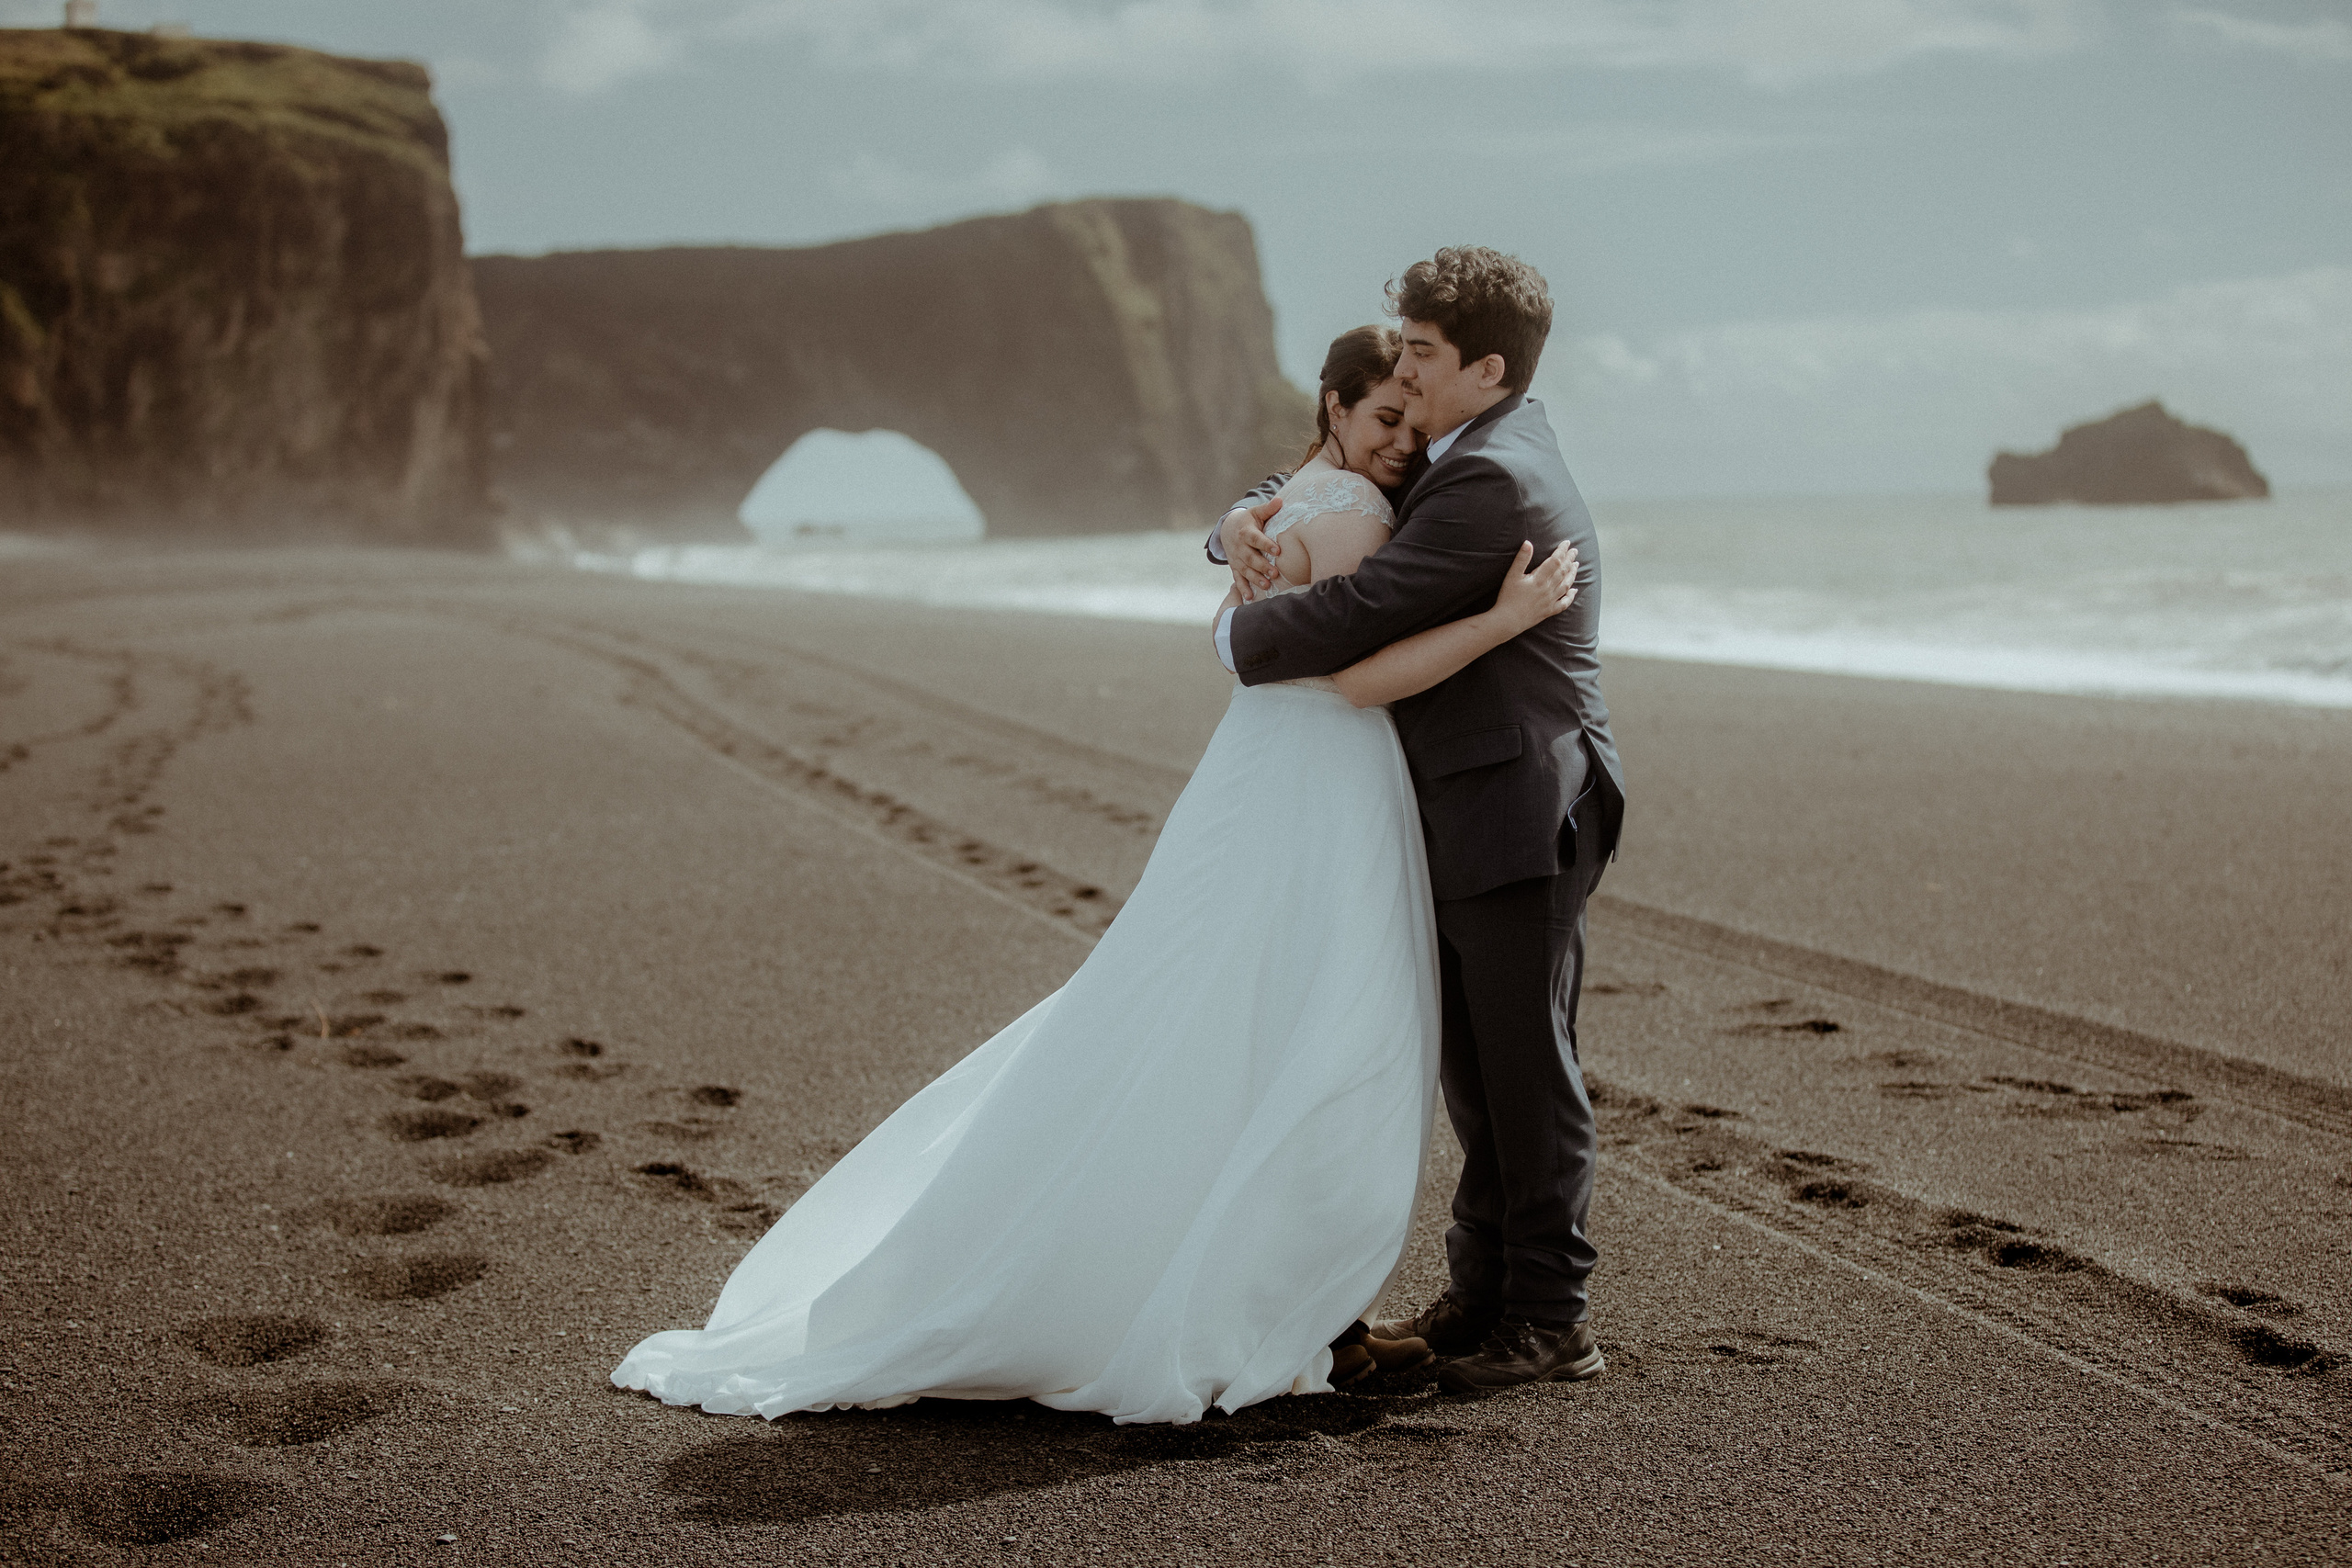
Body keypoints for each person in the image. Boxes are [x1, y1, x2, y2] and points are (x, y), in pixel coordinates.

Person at [610, 322, 1578, 1425]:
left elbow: (1249, 606)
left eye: (1414, 415)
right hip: (1326, 780)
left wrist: (1236, 527)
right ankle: (1285, 1302)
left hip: (1265, 774)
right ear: (1334, 411)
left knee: (1229, 1007)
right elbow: (1356, 674)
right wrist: (1508, 617)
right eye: (1384, 418)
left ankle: (1277, 1296)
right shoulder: (1351, 511)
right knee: (1312, 1021)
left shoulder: (1295, 500)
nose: (1404, 438)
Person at [1208, 247, 1624, 1393]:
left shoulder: (1492, 478)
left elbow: (1364, 607)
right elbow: (1333, 493)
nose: (1406, 366)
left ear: (1487, 368)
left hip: (1517, 801)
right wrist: (1236, 526)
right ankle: (1484, 1292)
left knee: (1525, 1071)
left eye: (1426, 354)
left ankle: (1549, 1316)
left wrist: (1237, 635)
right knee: (1479, 1074)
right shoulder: (1465, 450)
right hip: (1469, 798)